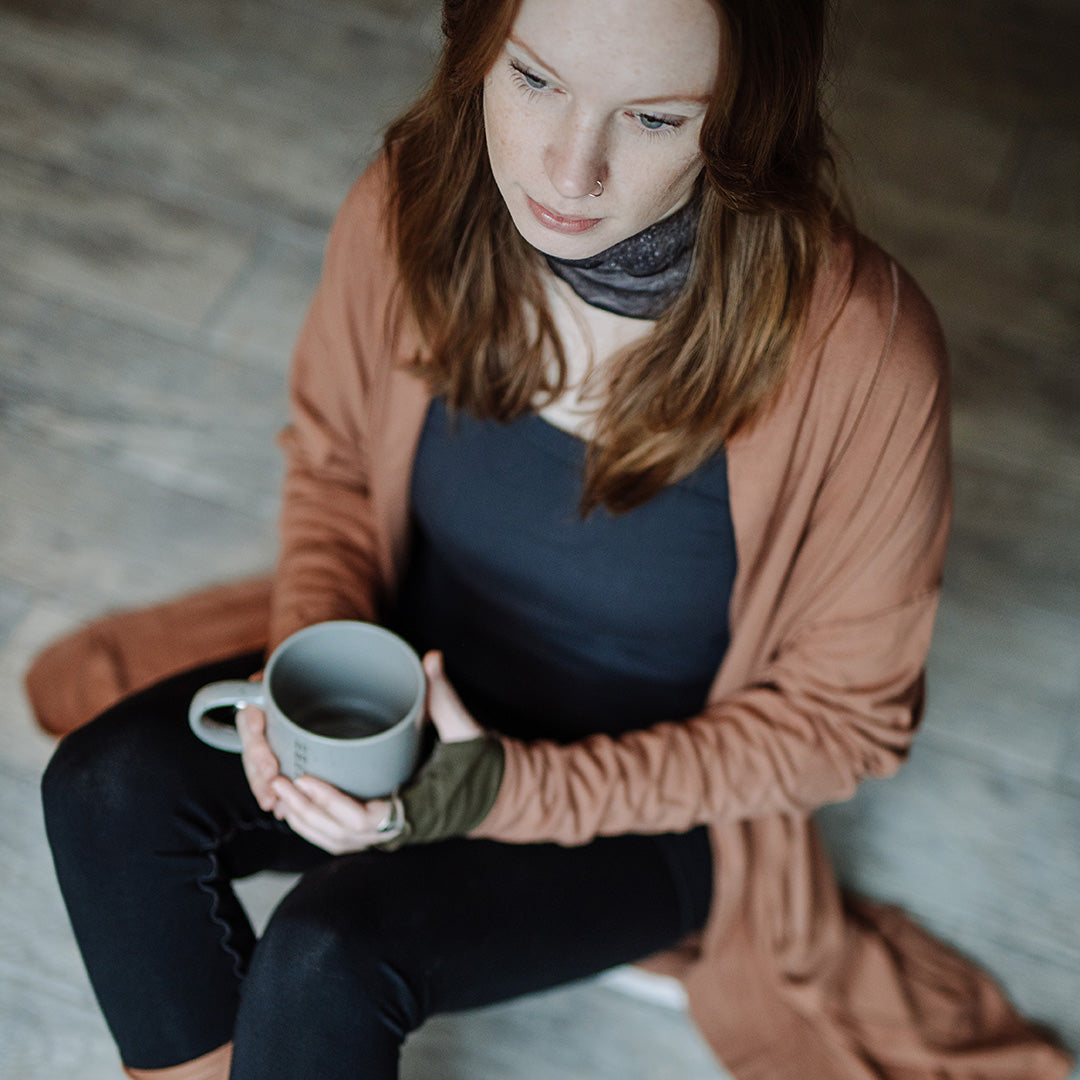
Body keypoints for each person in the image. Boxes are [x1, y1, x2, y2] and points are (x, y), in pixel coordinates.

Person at [39, 0, 1073, 1078]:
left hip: (658, 814)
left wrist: (507, 792)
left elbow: (844, 725)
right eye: (533, 81)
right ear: (474, 46)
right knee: (105, 792)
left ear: (745, 118)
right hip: (416, 701)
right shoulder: (412, 201)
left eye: (657, 120)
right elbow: (336, 468)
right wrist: (318, 688)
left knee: (326, 957)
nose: (568, 172)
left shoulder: (864, 351)